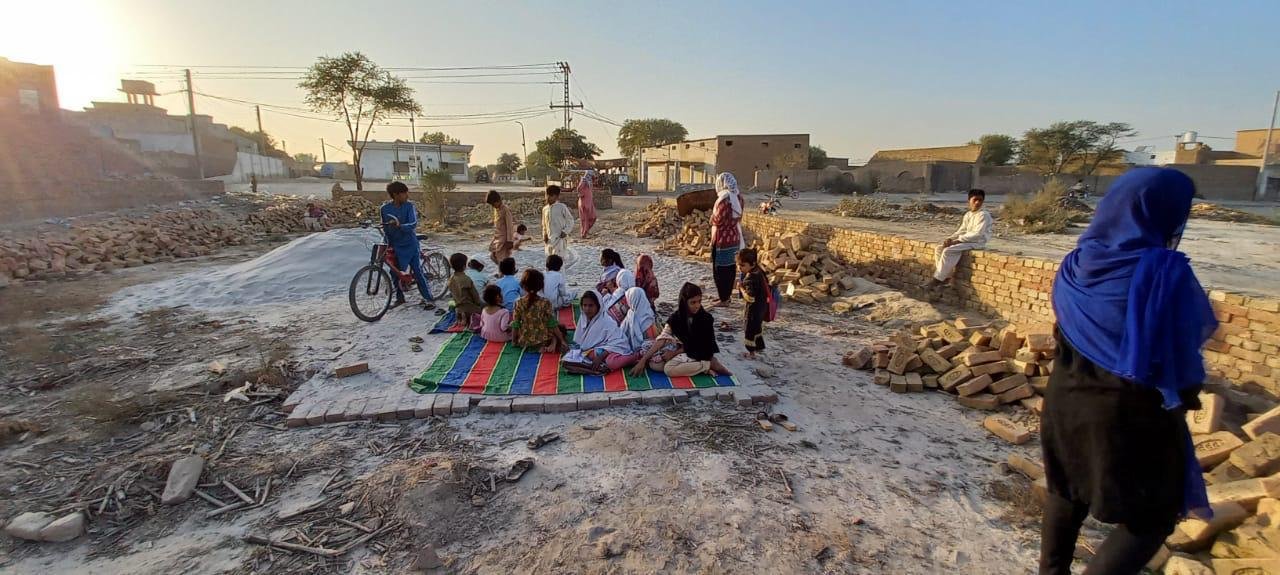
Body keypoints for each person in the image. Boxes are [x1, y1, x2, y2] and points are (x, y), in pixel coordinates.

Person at [1039, 168, 1217, 575]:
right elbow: (1180, 355)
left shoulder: (1077, 263)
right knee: (1153, 516)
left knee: (1066, 491)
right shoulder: (1163, 274)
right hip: (1127, 412)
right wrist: (1186, 396)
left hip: (1064, 400)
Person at [632, 282, 732, 377]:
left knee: (668, 369)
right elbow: (663, 337)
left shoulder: (706, 318)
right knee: (655, 365)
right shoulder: (676, 318)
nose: (697, 305)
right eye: (693, 302)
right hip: (683, 349)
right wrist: (643, 360)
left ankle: (708, 365)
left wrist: (674, 354)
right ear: (684, 302)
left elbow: (700, 344)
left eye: (699, 301)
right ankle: (698, 367)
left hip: (700, 351)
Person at [380, 181, 432, 306]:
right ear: (396, 194)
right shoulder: (384, 209)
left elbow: (413, 224)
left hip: (409, 244)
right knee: (394, 272)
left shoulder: (409, 206)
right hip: (394, 244)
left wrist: (400, 225)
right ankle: (400, 297)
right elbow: (384, 226)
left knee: (417, 271)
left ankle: (428, 297)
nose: (407, 195)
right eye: (404, 193)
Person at [929, 188, 993, 286]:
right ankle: (946, 277)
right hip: (967, 240)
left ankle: (937, 279)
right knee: (939, 248)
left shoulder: (983, 215)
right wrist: (951, 238)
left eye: (980, 200)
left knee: (949, 251)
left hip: (977, 242)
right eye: (975, 200)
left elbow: (977, 234)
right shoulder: (968, 214)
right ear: (969, 200)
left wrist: (958, 241)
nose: (977, 202)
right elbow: (962, 230)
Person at [568, 290, 634, 373]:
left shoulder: (607, 322)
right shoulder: (584, 318)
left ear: (598, 306)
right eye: (585, 305)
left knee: (611, 362)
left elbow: (619, 342)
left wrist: (601, 356)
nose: (587, 309)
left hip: (611, 350)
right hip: (594, 350)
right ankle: (595, 366)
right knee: (570, 360)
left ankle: (634, 357)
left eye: (591, 305)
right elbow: (579, 341)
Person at [511, 269, 569, 353]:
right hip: (543, 339)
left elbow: (515, 324)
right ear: (540, 286)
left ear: (523, 285)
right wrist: (562, 340)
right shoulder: (545, 302)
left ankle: (549, 344)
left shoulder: (518, 303)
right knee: (560, 328)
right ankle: (554, 341)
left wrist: (514, 341)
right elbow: (552, 323)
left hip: (525, 340)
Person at [710, 172, 744, 306]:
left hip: (721, 240)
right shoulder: (739, 197)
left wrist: (712, 219)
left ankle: (723, 299)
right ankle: (726, 297)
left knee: (719, 270)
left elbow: (717, 219)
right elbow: (739, 217)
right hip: (734, 237)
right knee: (730, 269)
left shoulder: (723, 200)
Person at [737, 248, 767, 359]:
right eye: (739, 265)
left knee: (749, 329)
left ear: (752, 263)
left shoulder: (750, 278)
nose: (740, 268)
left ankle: (751, 353)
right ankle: (759, 347)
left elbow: (750, 297)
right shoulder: (759, 270)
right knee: (757, 327)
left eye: (742, 265)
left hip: (753, 309)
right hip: (762, 305)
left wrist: (741, 288)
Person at [447, 252, 482, 330]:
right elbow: (475, 297)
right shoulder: (466, 279)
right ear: (464, 266)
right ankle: (471, 318)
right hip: (471, 308)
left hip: (458, 309)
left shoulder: (451, 279)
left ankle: (462, 317)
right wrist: (479, 304)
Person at [541, 185, 575, 257]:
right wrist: (544, 234)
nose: (548, 198)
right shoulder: (545, 209)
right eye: (546, 195)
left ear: (556, 197)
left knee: (559, 260)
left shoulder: (561, 207)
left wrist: (565, 231)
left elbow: (570, 220)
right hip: (549, 240)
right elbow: (544, 225)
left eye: (550, 196)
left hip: (559, 239)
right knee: (549, 260)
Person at [487, 190, 515, 264]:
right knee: (493, 256)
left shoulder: (506, 210)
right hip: (497, 238)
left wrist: (510, 241)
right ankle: (506, 271)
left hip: (504, 240)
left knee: (501, 260)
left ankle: (504, 273)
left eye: (493, 204)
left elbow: (510, 226)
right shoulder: (496, 210)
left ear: (498, 200)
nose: (493, 206)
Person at [576, 169, 598, 238]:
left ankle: (585, 231)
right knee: (585, 219)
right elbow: (579, 189)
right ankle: (584, 233)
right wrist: (581, 194)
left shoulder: (589, 182)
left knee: (593, 217)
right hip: (584, 203)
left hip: (589, 203)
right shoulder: (584, 181)